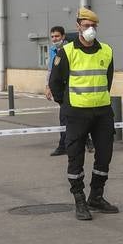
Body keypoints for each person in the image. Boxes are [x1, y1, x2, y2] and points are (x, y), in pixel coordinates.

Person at [50, 7, 119, 221]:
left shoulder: (106, 50)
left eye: (93, 26)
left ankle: (96, 196)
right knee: (76, 158)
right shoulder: (67, 51)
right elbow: (55, 83)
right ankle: (79, 199)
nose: (90, 29)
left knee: (105, 155)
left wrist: (97, 100)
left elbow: (108, 80)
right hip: (77, 114)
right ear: (78, 26)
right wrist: (68, 104)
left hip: (102, 113)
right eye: (86, 25)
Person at [44, 25, 73, 156]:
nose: (54, 39)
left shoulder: (70, 50)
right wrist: (47, 87)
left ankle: (87, 142)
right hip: (62, 92)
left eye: (57, 36)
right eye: (52, 37)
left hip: (72, 89)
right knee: (64, 118)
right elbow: (50, 71)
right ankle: (63, 146)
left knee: (79, 117)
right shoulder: (52, 50)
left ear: (63, 36)